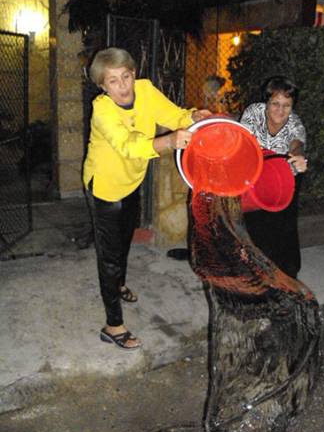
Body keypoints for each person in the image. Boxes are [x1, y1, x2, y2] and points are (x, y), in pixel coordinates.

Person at [83, 47, 210, 350]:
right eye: (113, 81)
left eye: (126, 76)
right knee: (110, 256)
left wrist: (192, 116)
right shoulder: (102, 109)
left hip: (131, 182)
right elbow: (127, 145)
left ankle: (120, 285)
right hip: (105, 188)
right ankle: (113, 325)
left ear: (133, 73)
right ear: (103, 86)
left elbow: (172, 113)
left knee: (125, 238)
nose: (123, 85)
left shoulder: (145, 90)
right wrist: (168, 141)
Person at [240, 75, 308, 278]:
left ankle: (289, 273)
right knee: (254, 224)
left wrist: (298, 155)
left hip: (284, 177)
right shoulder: (253, 112)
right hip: (254, 174)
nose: (280, 110)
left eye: (287, 105)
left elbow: (297, 143)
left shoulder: (295, 122)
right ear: (266, 102)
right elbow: (244, 144)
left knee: (285, 226)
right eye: (275, 104)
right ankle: (255, 272)